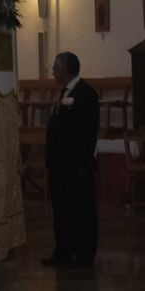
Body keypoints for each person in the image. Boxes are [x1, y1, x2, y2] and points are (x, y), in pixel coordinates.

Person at [43, 52, 99, 267]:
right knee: (62, 209)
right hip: (60, 166)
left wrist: (84, 161)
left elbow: (88, 130)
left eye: (56, 67)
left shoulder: (86, 93)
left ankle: (84, 253)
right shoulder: (63, 93)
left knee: (81, 210)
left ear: (66, 69)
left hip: (76, 165)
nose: (53, 71)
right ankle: (64, 250)